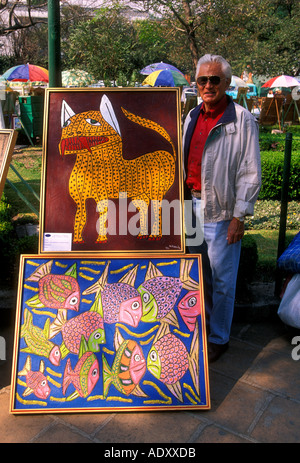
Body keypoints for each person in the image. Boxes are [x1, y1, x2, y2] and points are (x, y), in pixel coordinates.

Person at [183, 54, 261, 362]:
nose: (208, 85)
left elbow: (250, 171)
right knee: (193, 274)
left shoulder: (241, 119)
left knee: (222, 279)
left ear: (226, 83)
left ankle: (218, 337)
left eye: (214, 80)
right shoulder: (190, 116)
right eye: (203, 80)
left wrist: (239, 216)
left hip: (222, 210)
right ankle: (194, 329)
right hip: (189, 207)